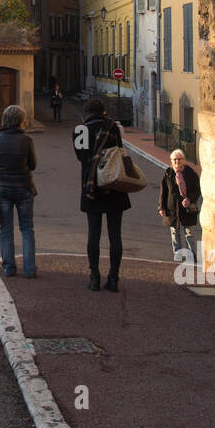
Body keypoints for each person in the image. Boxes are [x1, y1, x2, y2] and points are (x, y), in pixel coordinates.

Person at [73, 98, 130, 292]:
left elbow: (80, 156)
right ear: (103, 111)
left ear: (86, 113)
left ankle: (94, 277)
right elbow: (119, 151)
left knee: (93, 234)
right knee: (115, 235)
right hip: (113, 184)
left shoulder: (80, 130)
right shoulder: (112, 126)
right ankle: (113, 278)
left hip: (91, 186)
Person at [0, 104, 38, 279]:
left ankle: (9, 267)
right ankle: (30, 269)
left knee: (6, 229)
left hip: (2, 189)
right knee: (27, 228)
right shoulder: (26, 140)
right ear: (20, 121)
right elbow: (33, 165)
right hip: (24, 188)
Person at [159, 149, 202, 262]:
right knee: (174, 232)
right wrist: (161, 207)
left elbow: (197, 190)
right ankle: (178, 255)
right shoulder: (168, 173)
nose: (177, 161)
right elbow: (163, 192)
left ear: (184, 160)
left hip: (187, 208)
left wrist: (189, 199)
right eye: (175, 159)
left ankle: (191, 255)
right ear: (172, 161)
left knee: (189, 233)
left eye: (179, 159)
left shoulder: (191, 173)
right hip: (172, 208)